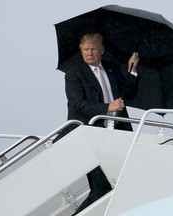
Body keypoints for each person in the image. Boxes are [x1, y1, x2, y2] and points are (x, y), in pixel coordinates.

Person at [53, 33, 140, 215]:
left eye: (93, 49)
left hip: (115, 136)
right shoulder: (74, 75)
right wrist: (108, 106)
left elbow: (129, 94)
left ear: (102, 50)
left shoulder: (112, 69)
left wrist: (132, 69)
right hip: (90, 137)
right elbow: (77, 104)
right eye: (85, 49)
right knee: (101, 188)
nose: (89, 53)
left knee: (117, 185)